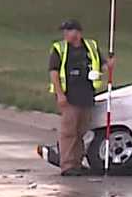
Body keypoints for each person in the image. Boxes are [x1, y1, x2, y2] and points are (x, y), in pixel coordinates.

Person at [45, 19, 113, 176]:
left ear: (78, 32)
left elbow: (102, 64)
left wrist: (108, 66)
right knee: (69, 132)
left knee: (81, 131)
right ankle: (68, 165)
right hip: (69, 96)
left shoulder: (91, 46)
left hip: (87, 95)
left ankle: (77, 162)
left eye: (69, 31)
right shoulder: (59, 49)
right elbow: (54, 72)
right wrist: (60, 95)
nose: (66, 34)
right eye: (65, 31)